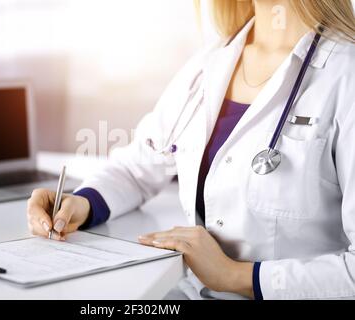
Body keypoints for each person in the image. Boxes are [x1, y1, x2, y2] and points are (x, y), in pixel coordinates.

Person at [27, 0, 355, 299]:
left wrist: (237, 276)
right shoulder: (213, 60)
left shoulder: (345, 74)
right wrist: (81, 204)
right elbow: (138, 166)